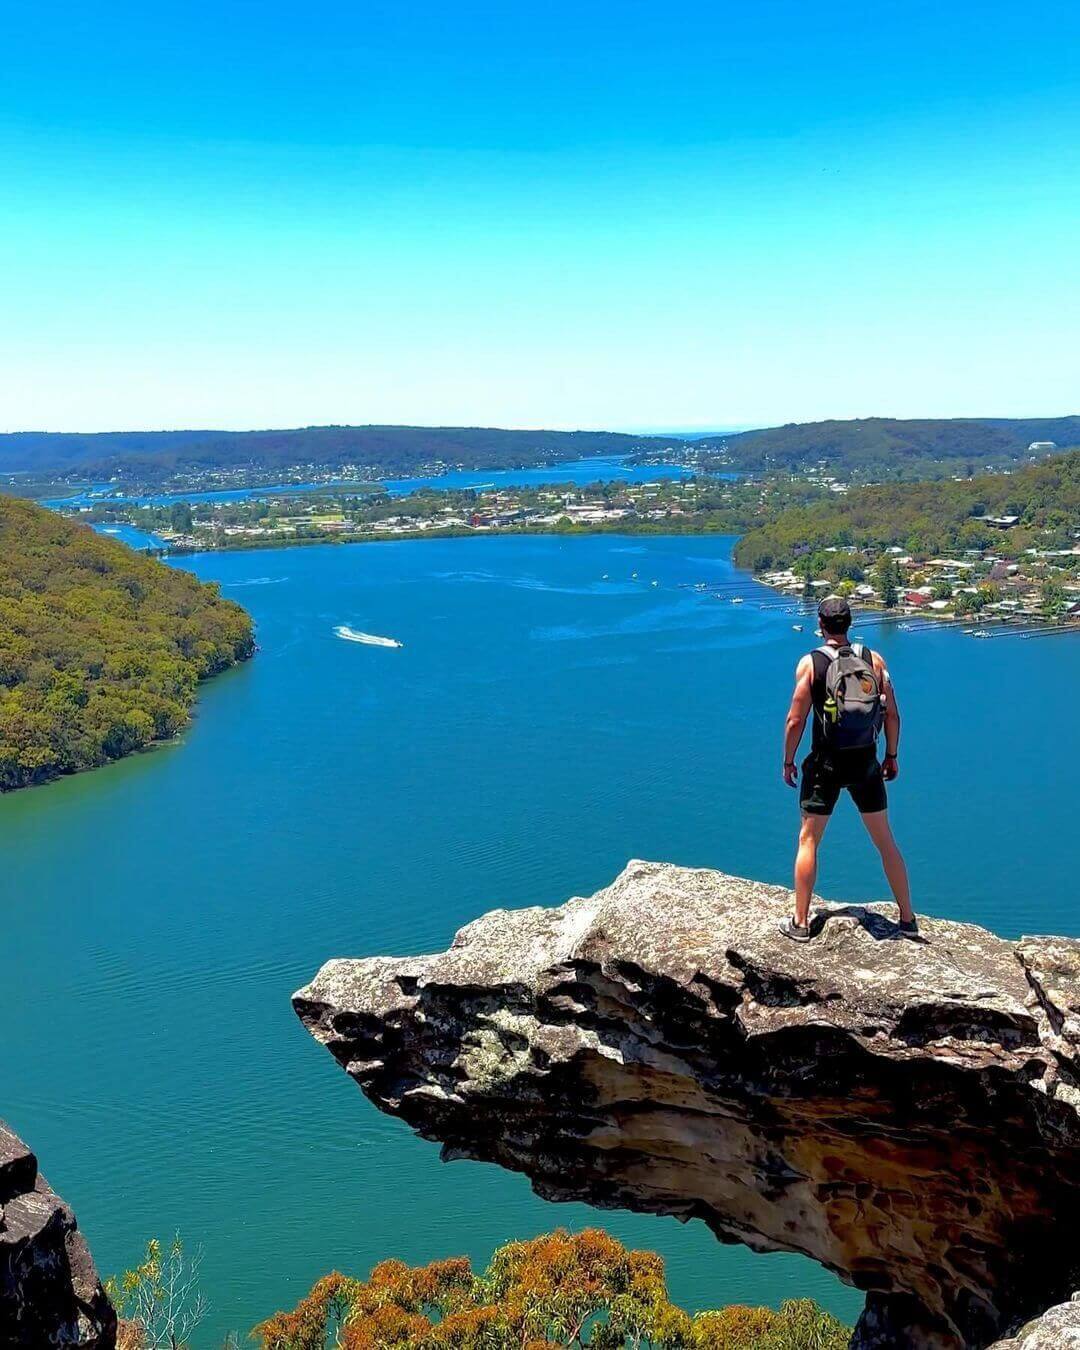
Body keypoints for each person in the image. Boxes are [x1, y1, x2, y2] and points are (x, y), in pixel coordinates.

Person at [779, 595, 917, 942]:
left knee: (809, 840)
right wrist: (892, 755)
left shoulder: (810, 664)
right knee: (885, 840)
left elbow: (796, 719)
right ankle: (907, 918)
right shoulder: (874, 660)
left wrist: (788, 760)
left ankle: (800, 922)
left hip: (825, 762)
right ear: (850, 623)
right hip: (866, 759)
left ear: (821, 625)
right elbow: (893, 715)